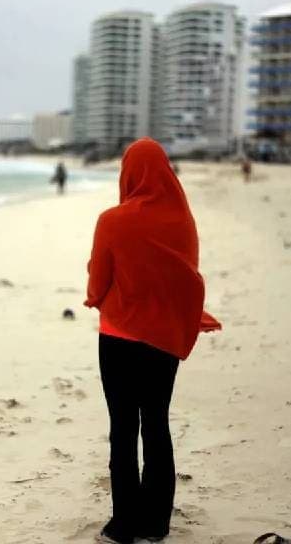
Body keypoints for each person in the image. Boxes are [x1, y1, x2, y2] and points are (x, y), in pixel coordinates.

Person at [84, 138, 221, 544]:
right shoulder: (183, 221)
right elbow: (185, 277)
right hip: (164, 339)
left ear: (128, 173)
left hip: (119, 338)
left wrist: (101, 299)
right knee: (157, 424)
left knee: (123, 428)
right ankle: (156, 524)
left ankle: (123, 525)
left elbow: (97, 284)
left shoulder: (112, 220)